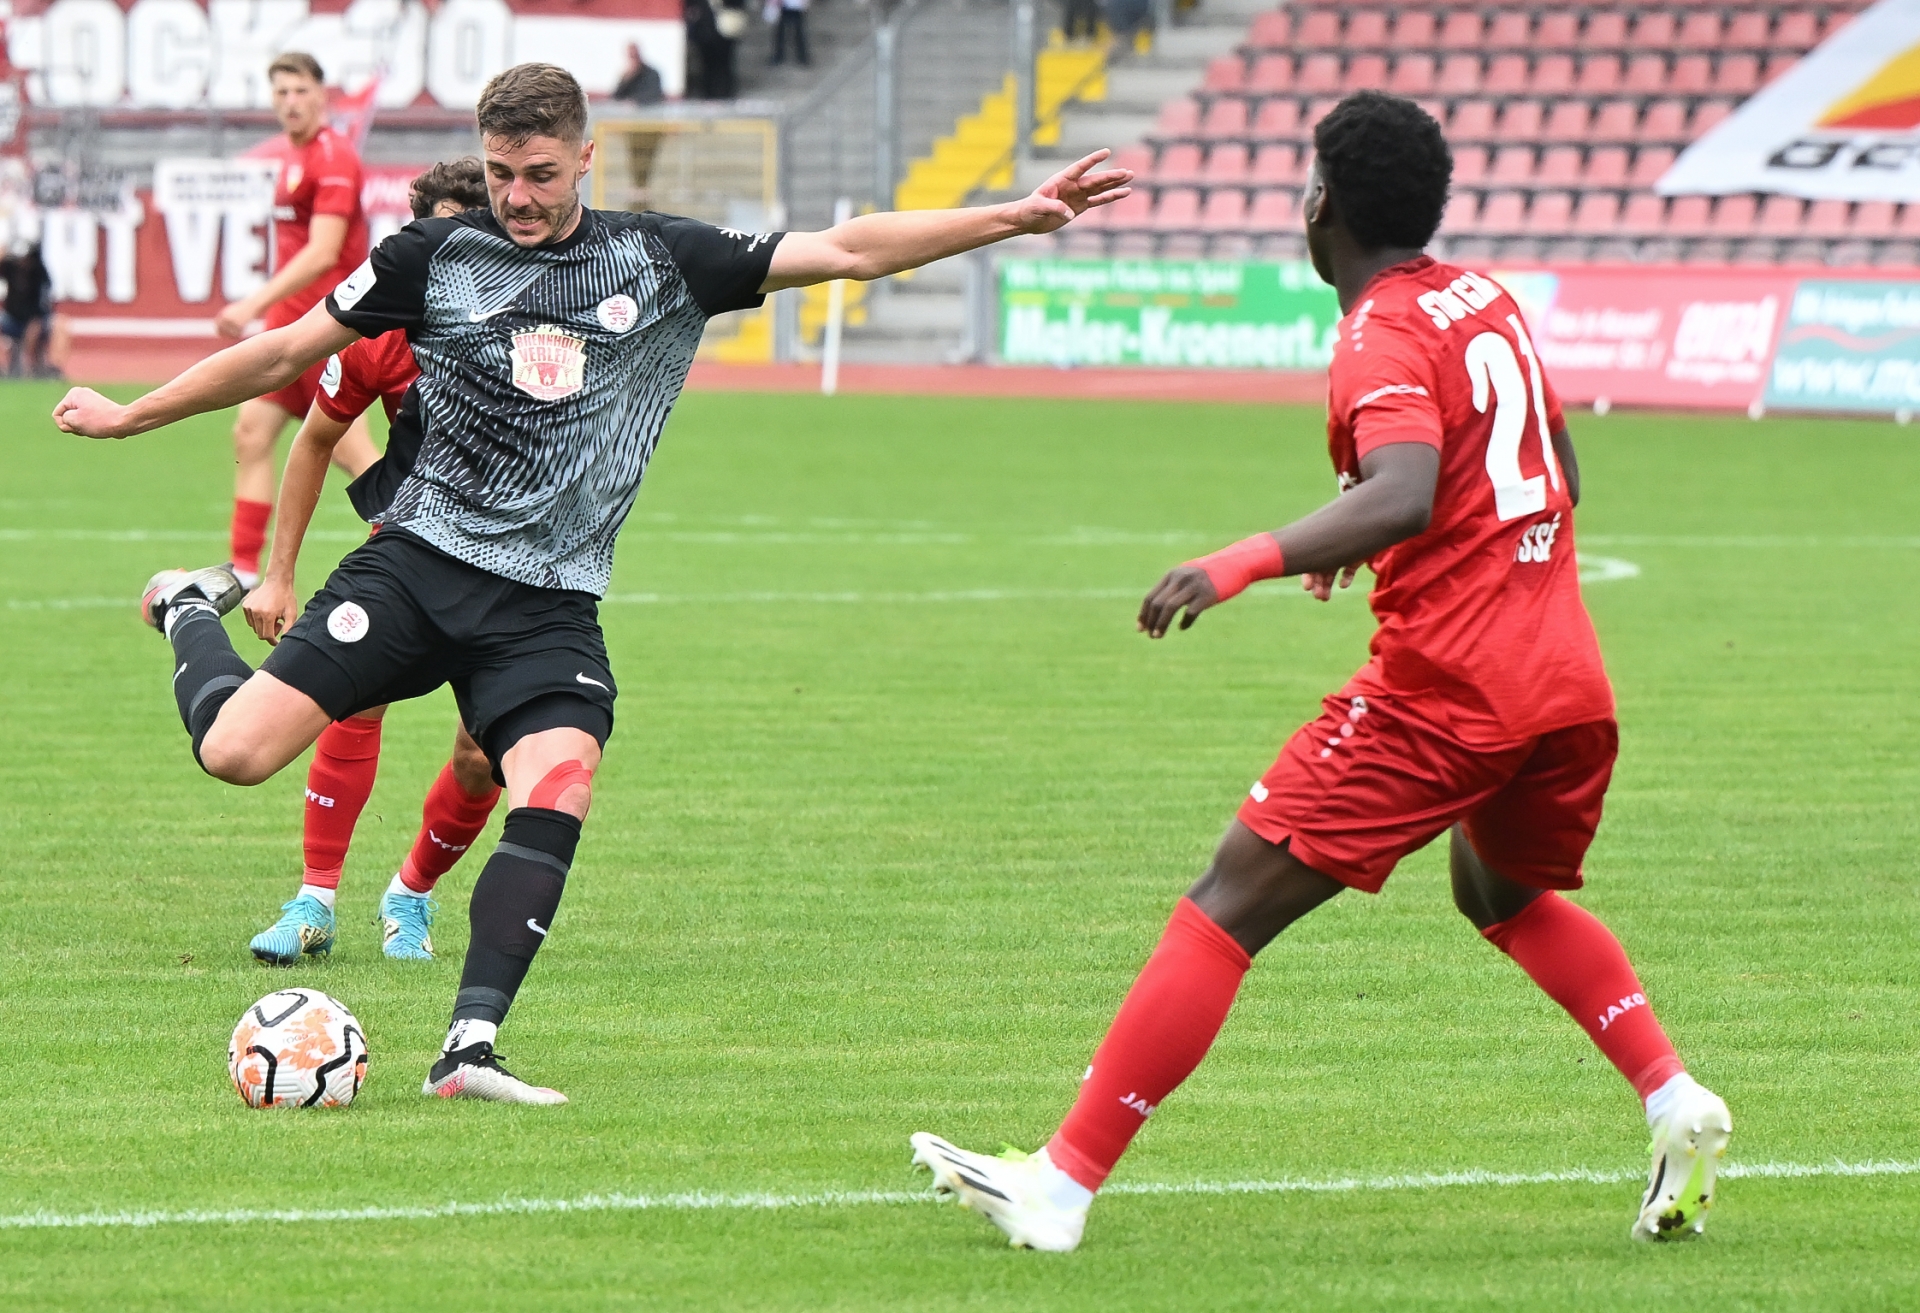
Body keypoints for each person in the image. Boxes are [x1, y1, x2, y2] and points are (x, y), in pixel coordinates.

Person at [53, 63, 1130, 1106]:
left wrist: (1014, 215)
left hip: (546, 605)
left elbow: (847, 247)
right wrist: (130, 414)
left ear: (586, 159)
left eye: (541, 175)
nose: (519, 198)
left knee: (559, 779)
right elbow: (285, 350)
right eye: (502, 173)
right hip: (418, 564)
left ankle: (469, 1042)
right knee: (235, 753)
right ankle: (189, 608)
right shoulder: (432, 255)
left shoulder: (661, 260)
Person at [910, 91, 1732, 1251]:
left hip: (1449, 688)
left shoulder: (1381, 331)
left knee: (1227, 900)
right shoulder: (1481, 298)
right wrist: (1386, 531)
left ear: (1323, 206)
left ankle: (1060, 1182)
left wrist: (1240, 559)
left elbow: (1407, 488)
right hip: (1563, 679)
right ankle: (1673, 1095)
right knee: (1496, 892)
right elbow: (1553, 475)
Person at [239, 158, 495, 966]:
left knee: (482, 753)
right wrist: (277, 573)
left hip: (515, 564)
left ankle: (410, 894)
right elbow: (314, 438)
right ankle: (315, 898)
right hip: (410, 548)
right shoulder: (383, 332)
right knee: (353, 700)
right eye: (433, 235)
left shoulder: (536, 319)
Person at [221, 51, 376, 591]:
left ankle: (409, 563)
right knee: (251, 433)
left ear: (322, 94)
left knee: (359, 459)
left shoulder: (333, 157)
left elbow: (322, 253)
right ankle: (242, 570)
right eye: (281, 92)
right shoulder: (296, 155)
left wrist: (249, 304)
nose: (290, 102)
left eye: (299, 91)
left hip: (323, 330)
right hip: (289, 327)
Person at [0, 238, 53, 377]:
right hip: (12, 318)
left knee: (57, 326)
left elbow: (44, 304)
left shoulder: (39, 274)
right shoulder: (10, 268)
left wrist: (37, 321)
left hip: (35, 320)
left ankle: (45, 368)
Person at [771, 0, 809, 66]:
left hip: (796, 5)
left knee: (798, 31)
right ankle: (779, 55)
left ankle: (802, 56)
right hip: (785, 5)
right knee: (781, 31)